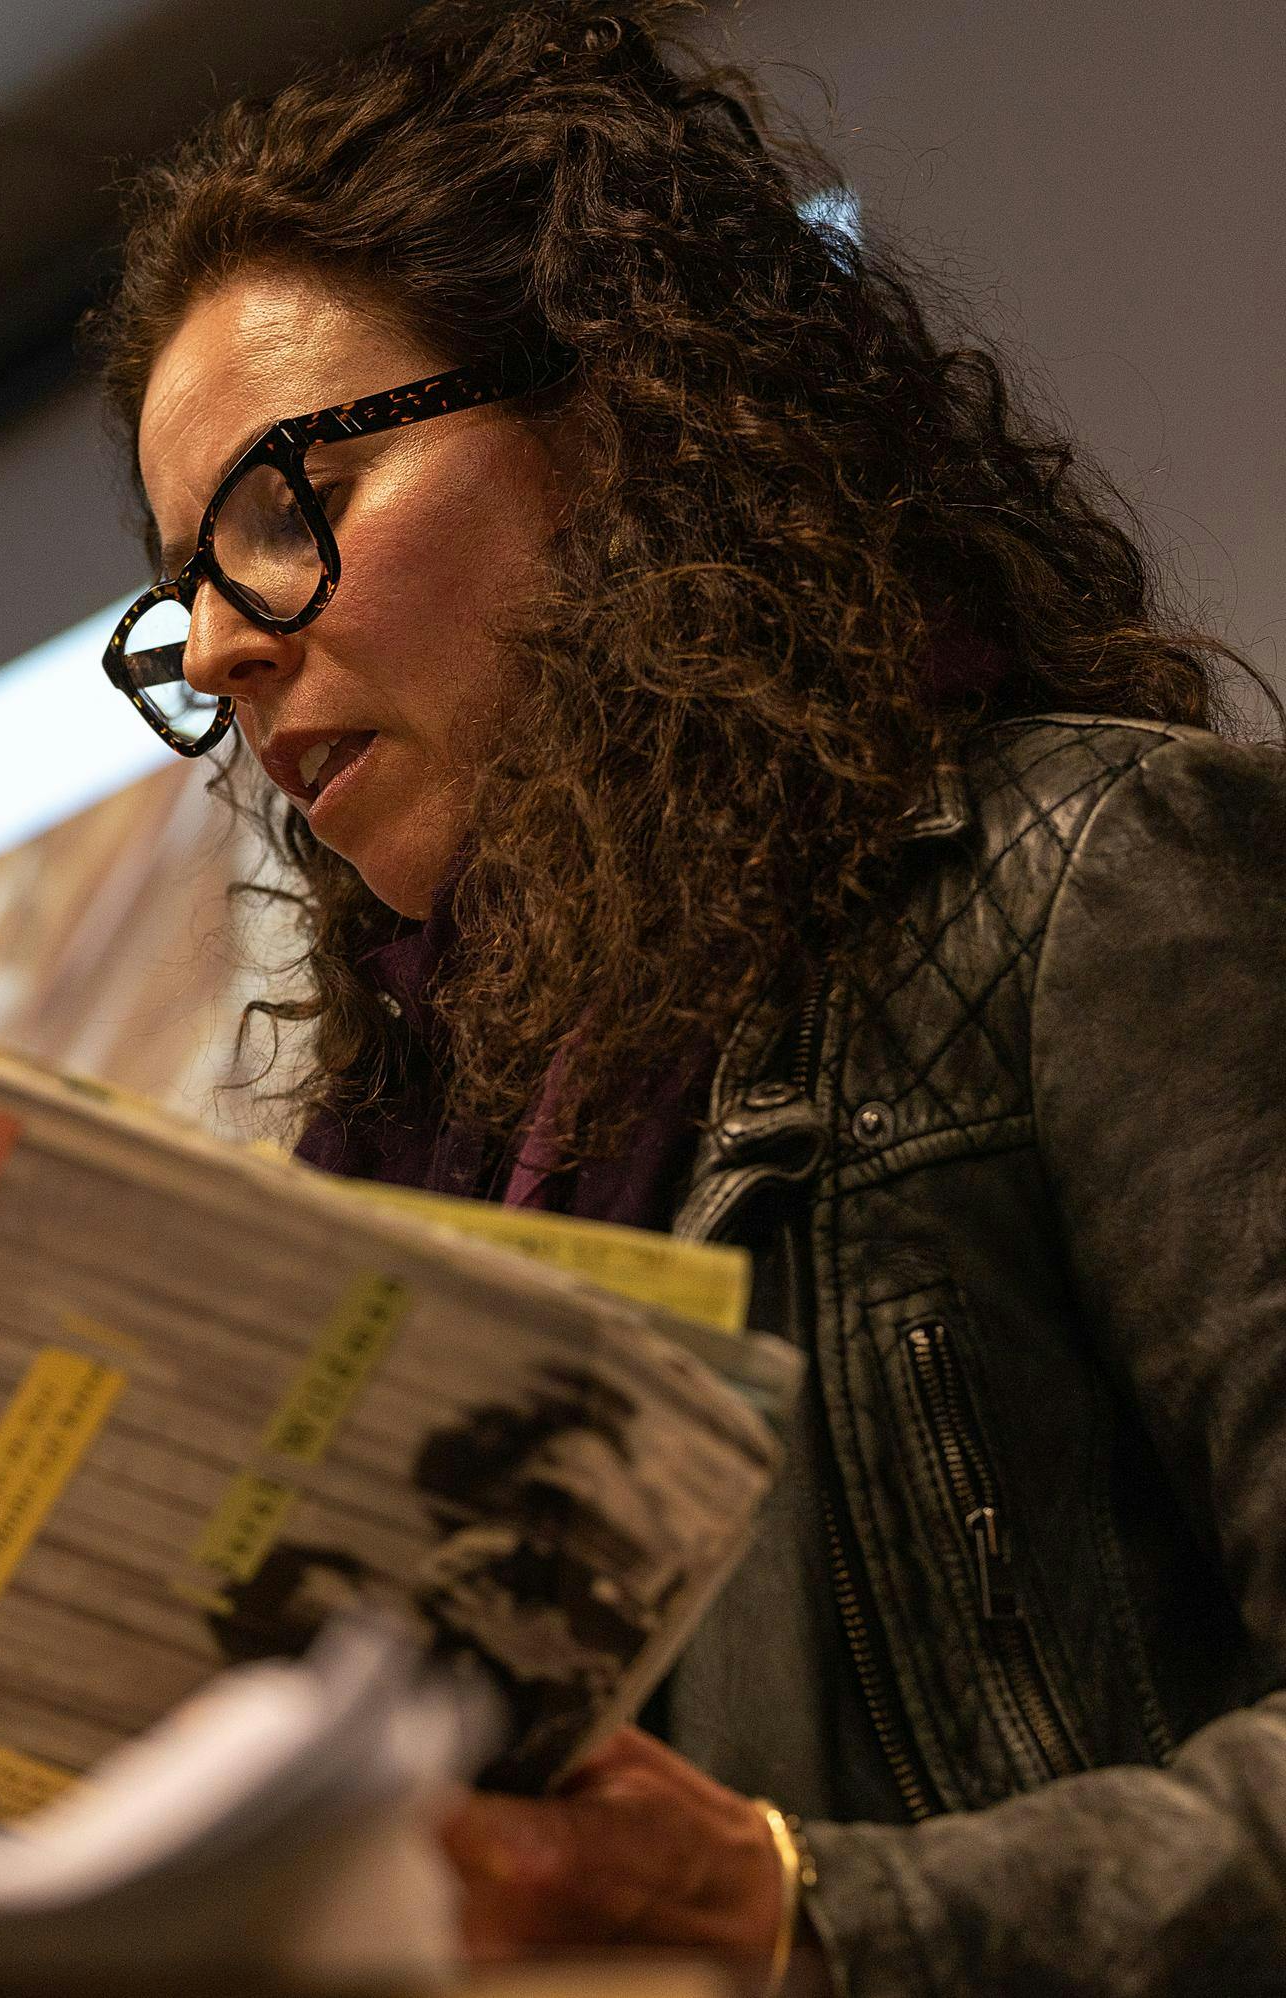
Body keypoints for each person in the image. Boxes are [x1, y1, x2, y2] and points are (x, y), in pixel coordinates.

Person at [83, 3, 1286, 1992]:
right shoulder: (409, 1175)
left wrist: (806, 1917)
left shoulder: (1100, 889)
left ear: (628, 425)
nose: (215, 646)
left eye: (284, 513)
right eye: (184, 583)